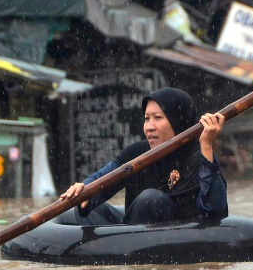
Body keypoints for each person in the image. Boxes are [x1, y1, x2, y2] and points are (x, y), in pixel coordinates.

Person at [60, 87, 228, 225]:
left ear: (178, 120)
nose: (149, 127)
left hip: (177, 236)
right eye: (147, 118)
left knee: (151, 200)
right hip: (134, 233)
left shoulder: (197, 154)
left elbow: (213, 209)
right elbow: (106, 177)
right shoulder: (138, 152)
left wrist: (206, 144)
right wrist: (86, 188)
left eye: (158, 118)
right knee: (91, 206)